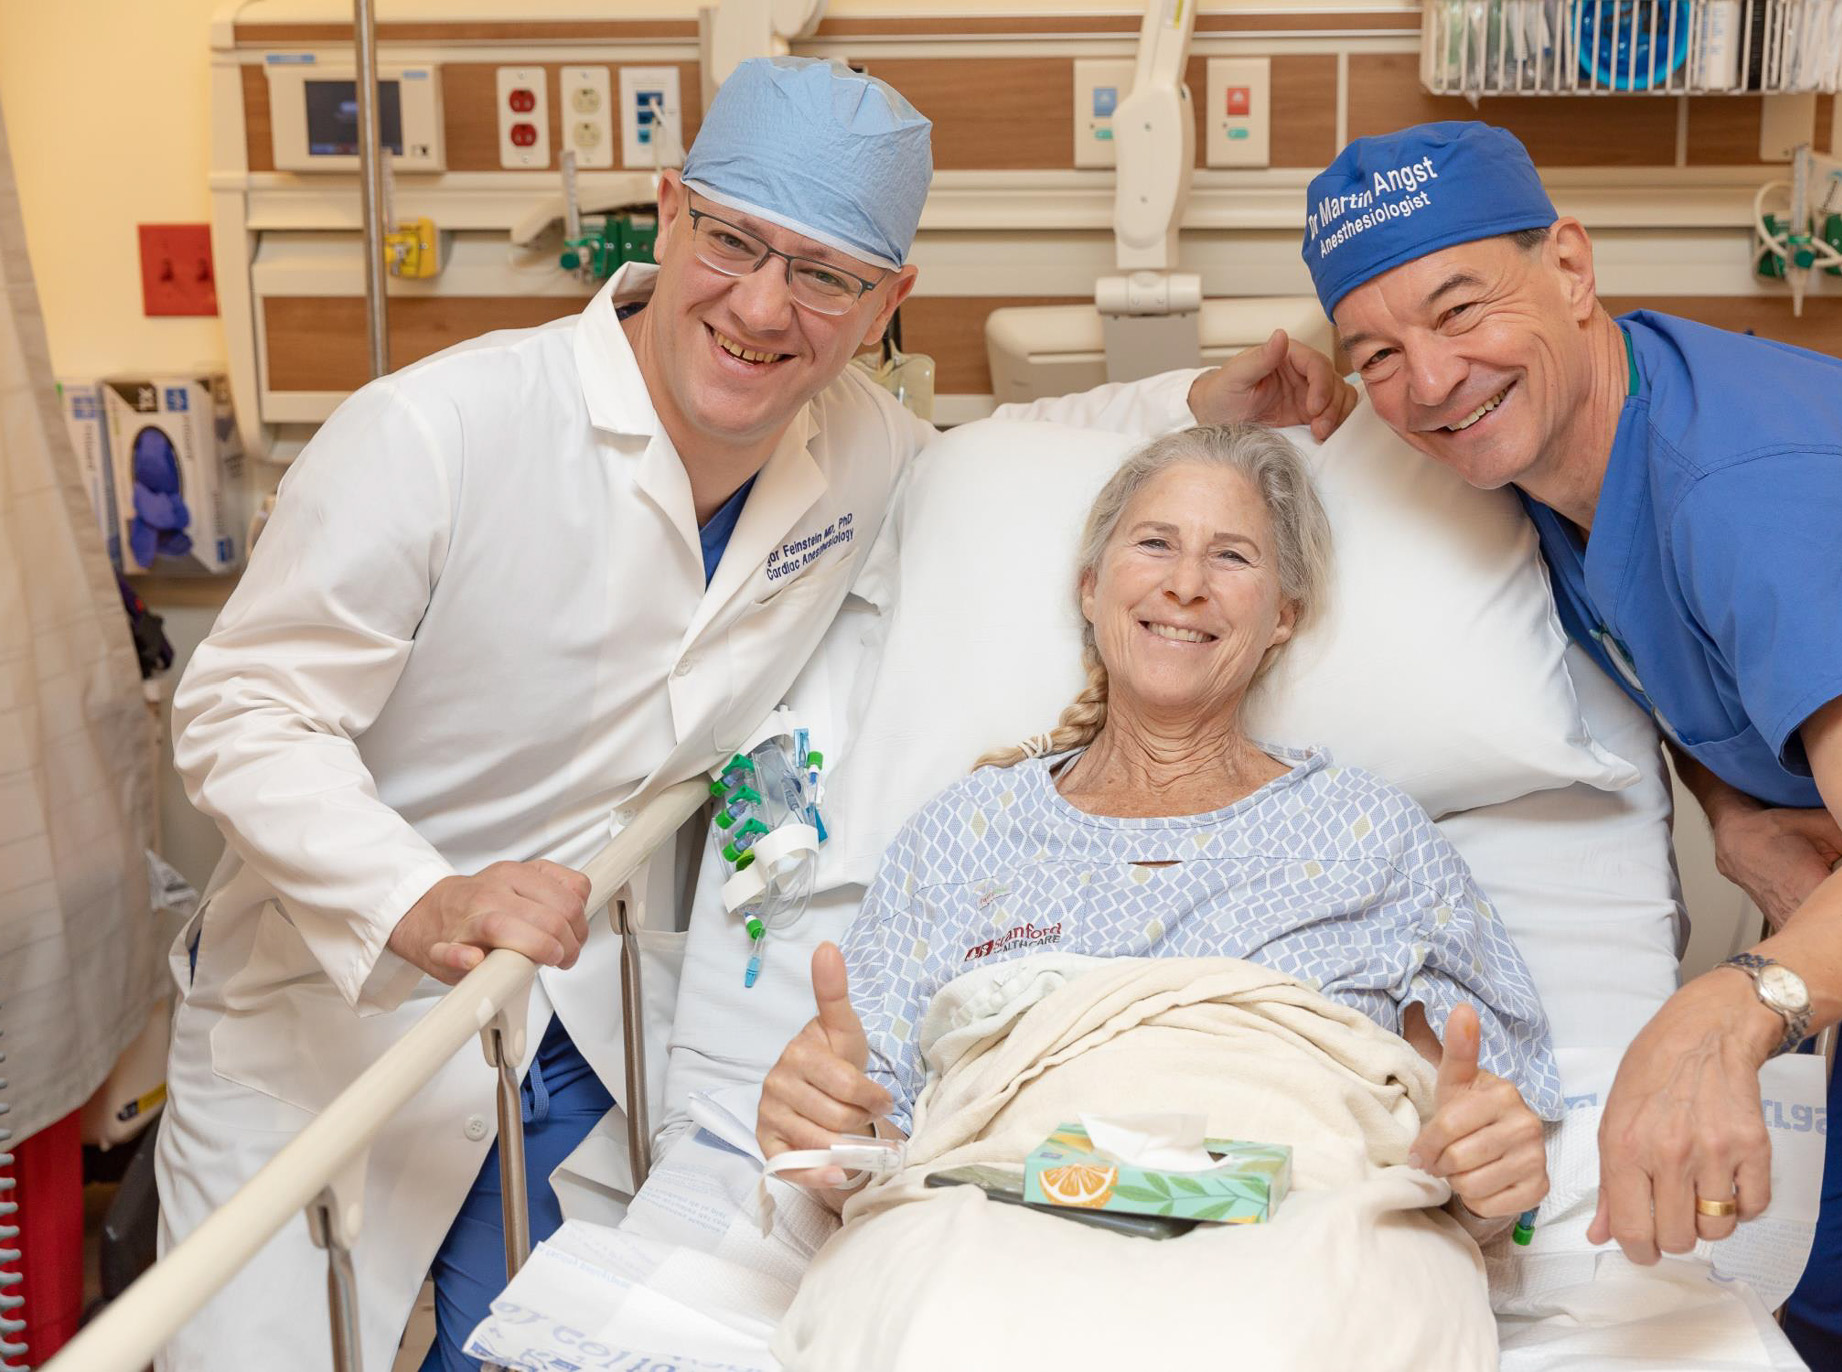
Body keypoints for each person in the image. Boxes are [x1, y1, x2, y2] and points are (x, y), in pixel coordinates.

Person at [161, 58, 1355, 1371]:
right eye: (733, 242)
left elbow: (1003, 449)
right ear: (668, 212)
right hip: (337, 1027)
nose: (763, 307)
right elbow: (243, 711)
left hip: (578, 1031)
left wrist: (1195, 409)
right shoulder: (439, 435)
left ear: (888, 299)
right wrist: (421, 900)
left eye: (828, 275)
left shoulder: (855, 447)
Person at [1298, 119, 1842, 1368]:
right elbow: (1684, 659)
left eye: (1460, 306)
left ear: (1572, 268)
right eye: (1375, 353)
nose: (1427, 382)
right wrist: (1732, 807)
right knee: (1834, 1301)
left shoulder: (1755, 486)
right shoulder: (1567, 460)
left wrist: (1723, 1009)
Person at [757, 424, 1558, 1236]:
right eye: (1156, 543)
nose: (1186, 584)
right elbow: (868, 1153)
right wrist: (824, 1127)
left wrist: (1492, 1167)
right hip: (1006, 1239)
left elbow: (1468, 1155)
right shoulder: (963, 834)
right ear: (1090, 588)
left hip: (1297, 1240)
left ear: (1283, 615)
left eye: (1233, 556)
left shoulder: (1368, 834)